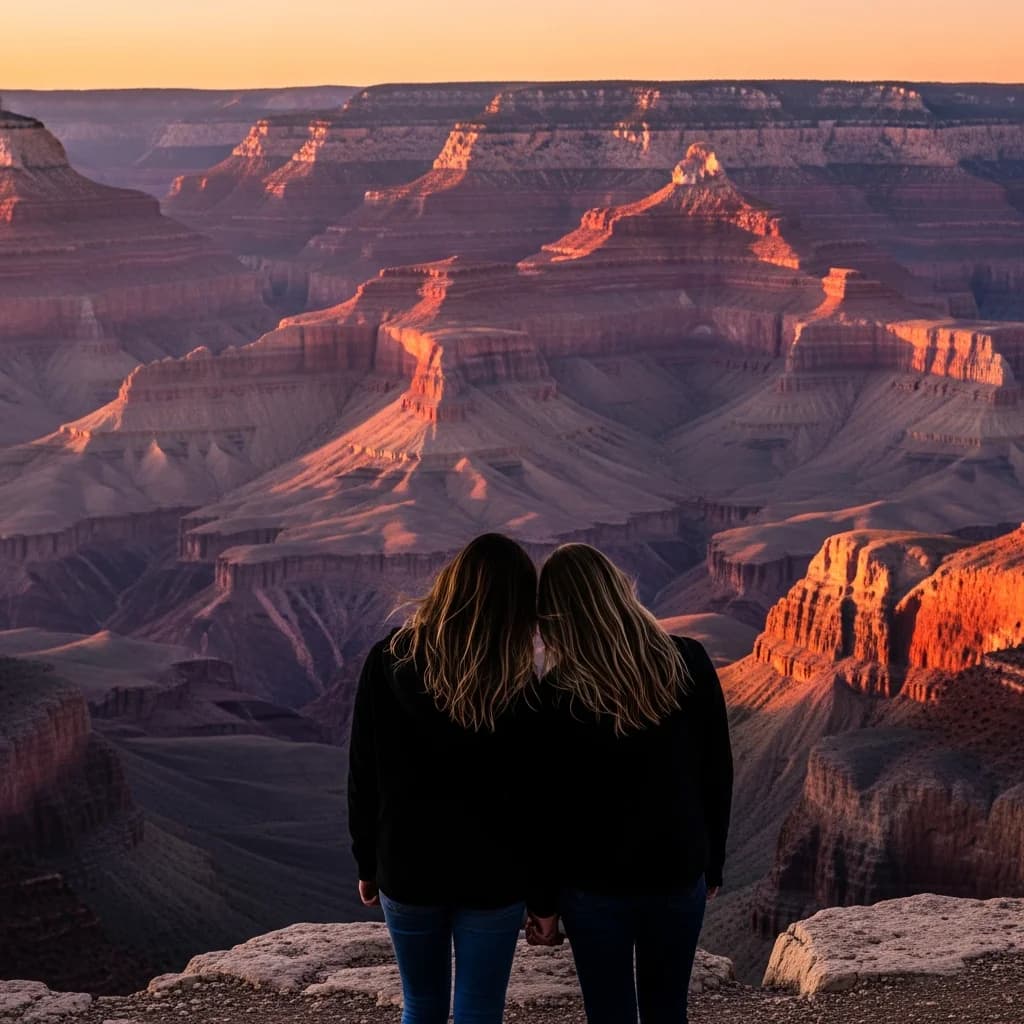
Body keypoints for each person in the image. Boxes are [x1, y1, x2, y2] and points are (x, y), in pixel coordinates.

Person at [347, 533, 556, 1024]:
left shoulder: (387, 660)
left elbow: (363, 773)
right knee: (480, 1009)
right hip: (495, 875)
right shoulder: (524, 687)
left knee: (420, 1004)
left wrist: (366, 861)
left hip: (407, 866)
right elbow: (539, 803)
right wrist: (545, 897)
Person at [527, 542, 733, 1024]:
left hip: (593, 884)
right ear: (620, 591)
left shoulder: (555, 695)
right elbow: (716, 771)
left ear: (556, 618)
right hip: (677, 870)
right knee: (668, 1012)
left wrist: (542, 902)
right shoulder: (689, 661)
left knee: (608, 1013)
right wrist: (713, 863)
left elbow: (544, 809)